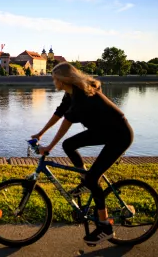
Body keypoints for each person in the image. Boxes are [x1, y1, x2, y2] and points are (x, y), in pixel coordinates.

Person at [32, 62, 133, 245]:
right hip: (104, 131)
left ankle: (105, 226)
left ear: (63, 80)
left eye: (55, 78)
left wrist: (49, 147)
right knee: (69, 145)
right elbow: (59, 113)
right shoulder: (71, 94)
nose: (53, 81)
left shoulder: (82, 98)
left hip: (120, 135)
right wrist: (41, 133)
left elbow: (66, 122)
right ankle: (85, 180)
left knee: (93, 179)